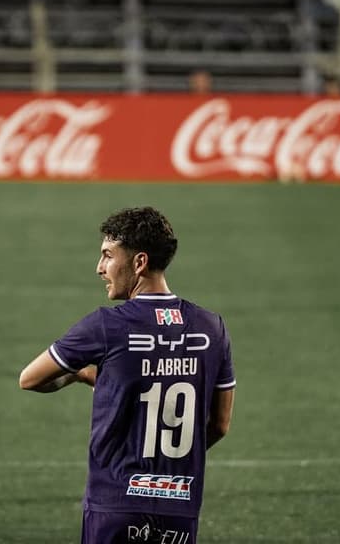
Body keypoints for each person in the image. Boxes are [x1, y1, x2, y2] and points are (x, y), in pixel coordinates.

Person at [19, 207, 236, 543]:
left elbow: (30, 379)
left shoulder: (107, 326)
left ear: (139, 263)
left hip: (115, 504)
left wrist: (79, 375)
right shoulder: (213, 327)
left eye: (107, 256)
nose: (100, 268)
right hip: (179, 506)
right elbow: (220, 425)